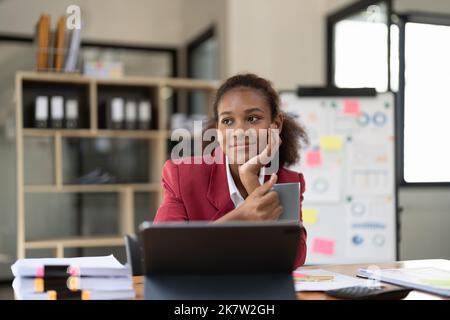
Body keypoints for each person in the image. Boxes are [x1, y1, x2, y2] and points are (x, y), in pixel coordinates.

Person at [154, 73, 309, 268]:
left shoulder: (288, 181)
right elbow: (164, 253)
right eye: (228, 121)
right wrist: (241, 216)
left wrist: (250, 179)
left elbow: (293, 258)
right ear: (217, 129)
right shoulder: (182, 175)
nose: (239, 131)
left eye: (252, 119)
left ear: (275, 125)